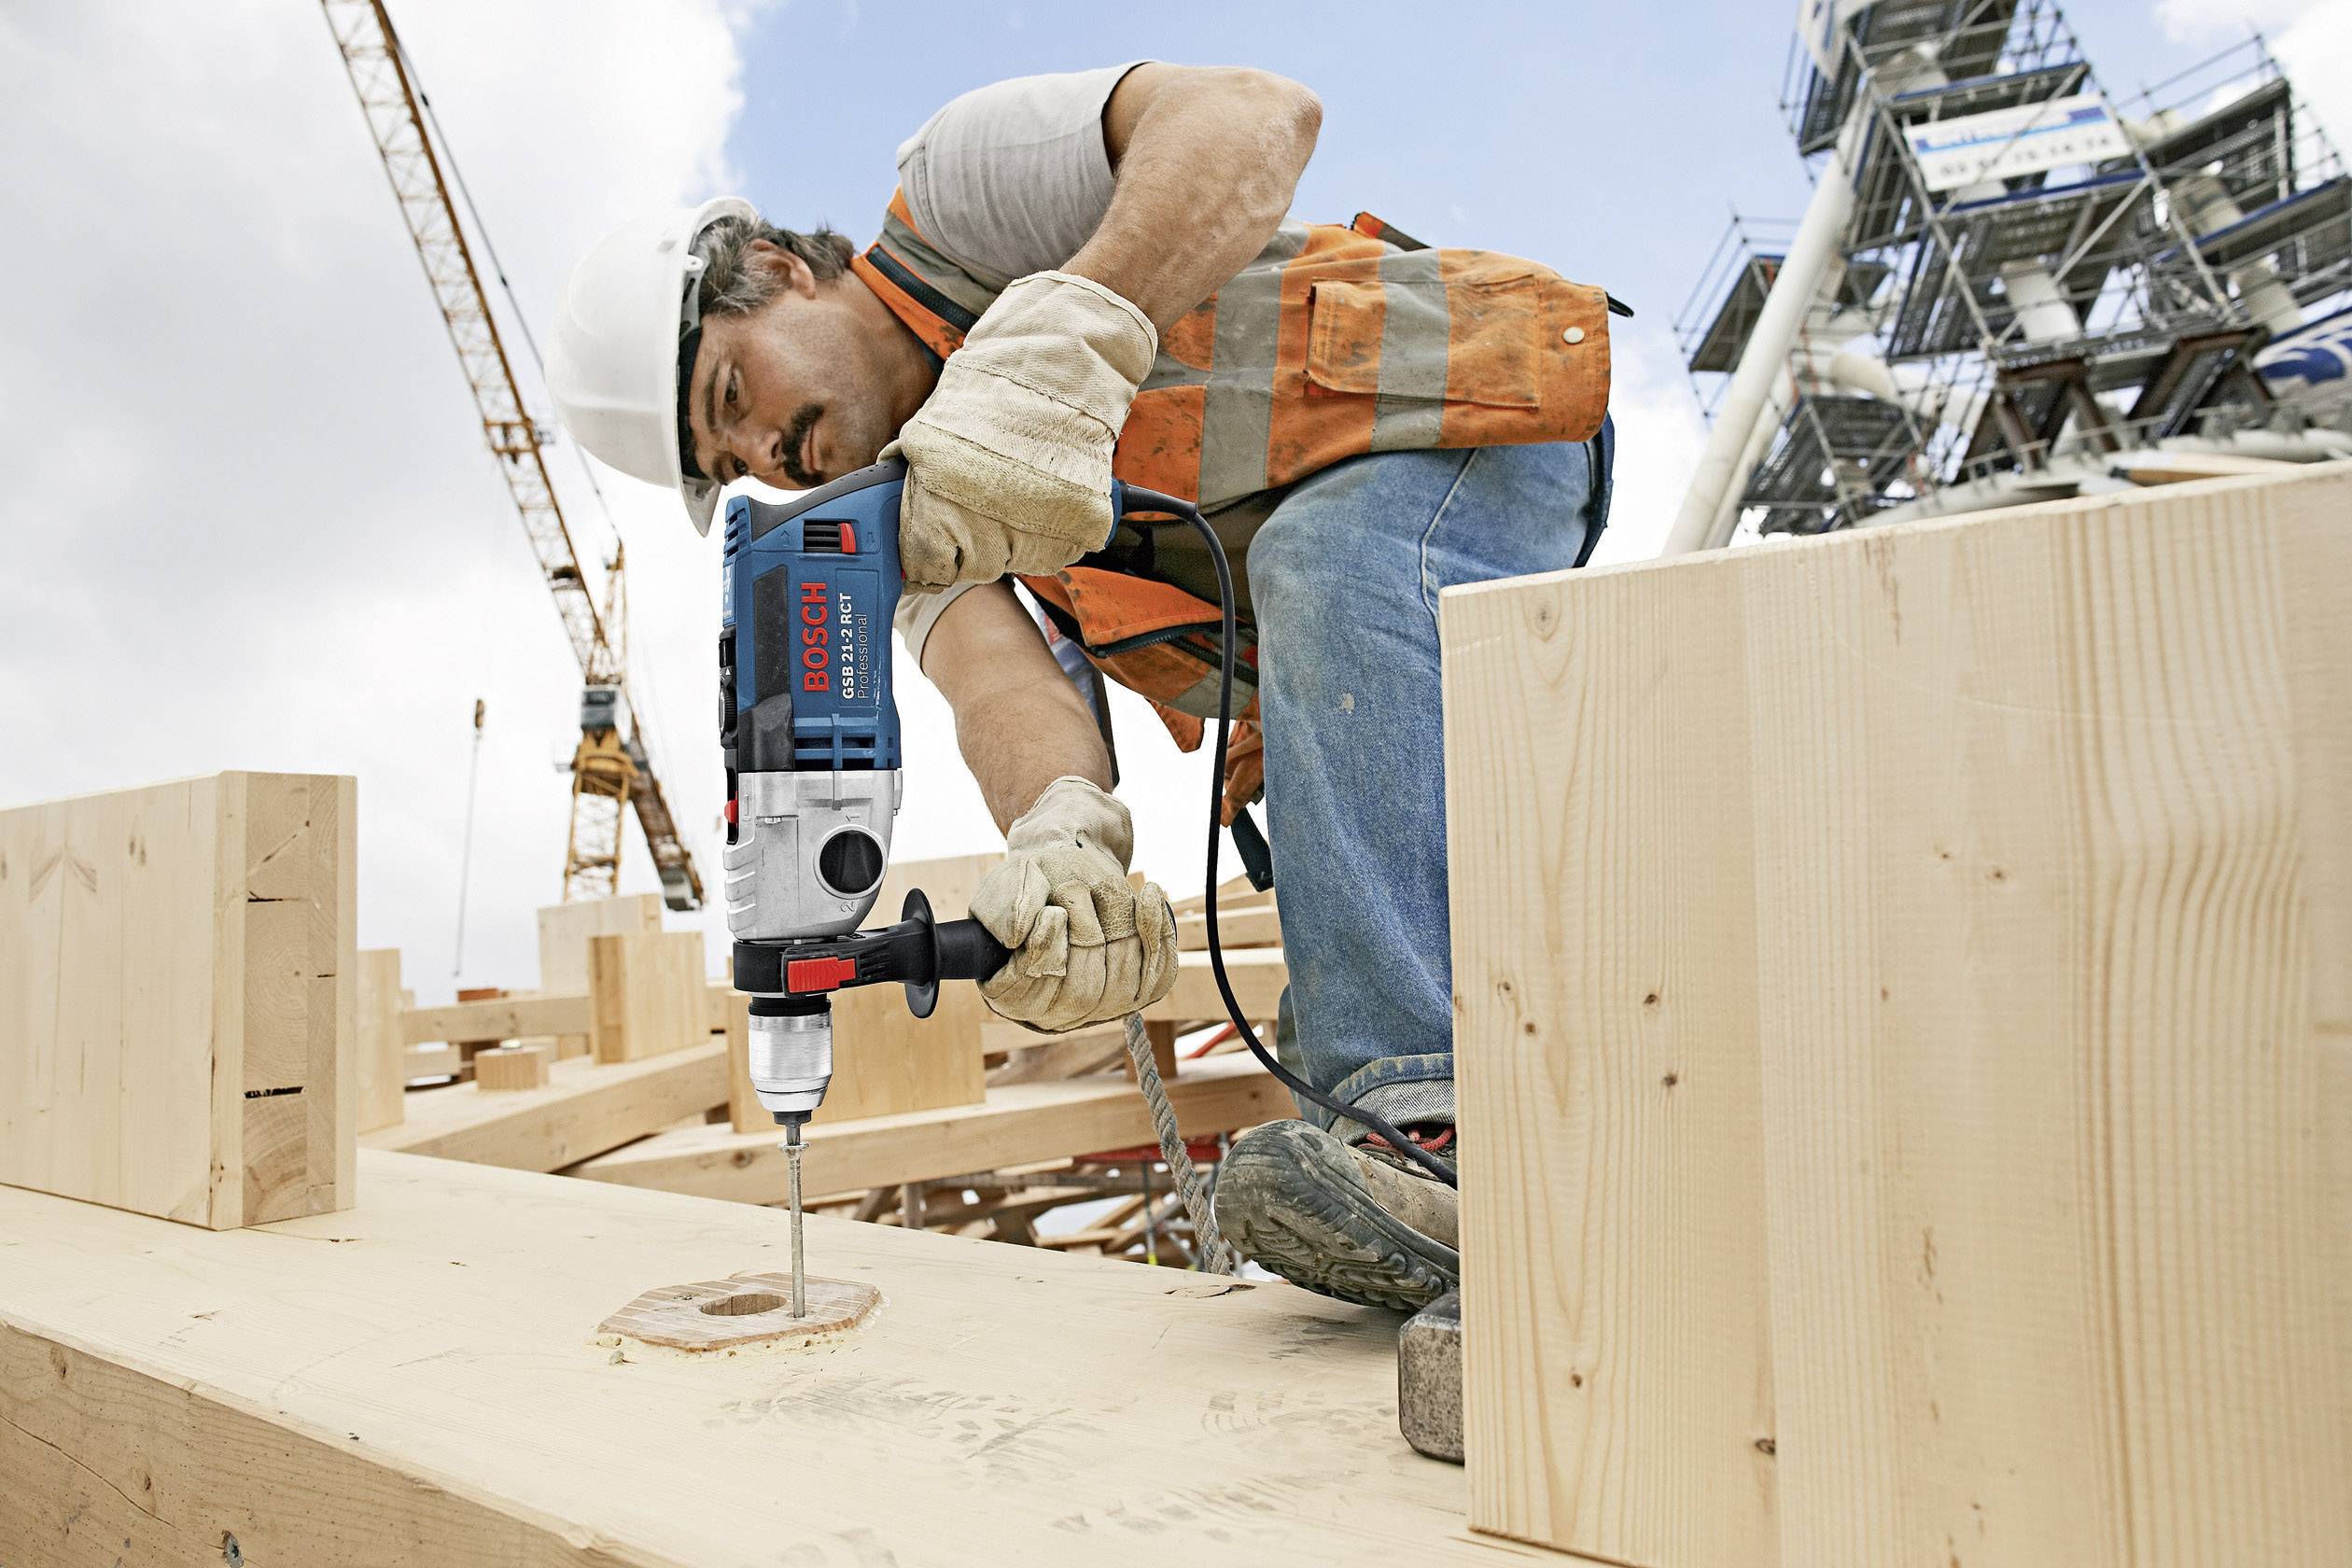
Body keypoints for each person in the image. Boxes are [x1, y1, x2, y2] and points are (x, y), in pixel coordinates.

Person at [548, 63, 1615, 1310]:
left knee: (1320, 559)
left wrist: (1071, 336)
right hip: (1353, 629)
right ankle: (1404, 1161)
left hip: (1481, 412)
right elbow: (1002, 690)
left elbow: (1259, 119)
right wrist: (1060, 837)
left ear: (781, 270)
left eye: (738, 397)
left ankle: (1420, 1134)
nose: (768, 458)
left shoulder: (955, 200)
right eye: (732, 466)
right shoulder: (916, 530)